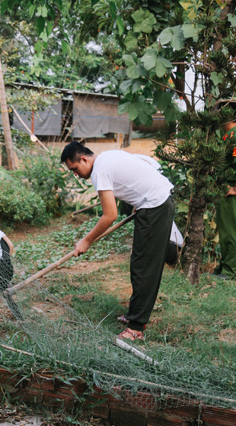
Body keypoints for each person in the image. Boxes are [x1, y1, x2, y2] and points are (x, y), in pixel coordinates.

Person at [61, 141, 174, 342]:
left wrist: (86, 241)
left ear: (84, 159)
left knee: (145, 267)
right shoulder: (107, 156)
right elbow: (143, 167)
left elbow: (109, 215)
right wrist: (140, 199)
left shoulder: (99, 172)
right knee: (139, 263)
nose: (76, 175)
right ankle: (134, 315)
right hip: (151, 203)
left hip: (155, 206)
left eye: (75, 169)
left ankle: (136, 328)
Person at [213, 102, 236, 280]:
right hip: (225, 189)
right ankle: (225, 266)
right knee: (225, 230)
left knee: (230, 231)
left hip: (230, 190)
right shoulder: (228, 136)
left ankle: (231, 271)